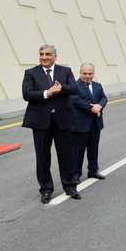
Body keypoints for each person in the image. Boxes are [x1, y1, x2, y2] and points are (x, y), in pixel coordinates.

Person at [22, 44, 81, 204]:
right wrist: (46, 93)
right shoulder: (31, 73)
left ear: (55, 56)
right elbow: (26, 94)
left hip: (62, 120)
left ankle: (70, 187)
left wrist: (61, 89)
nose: (44, 57)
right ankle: (46, 190)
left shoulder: (65, 71)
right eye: (41, 54)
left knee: (66, 156)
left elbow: (75, 88)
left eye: (48, 54)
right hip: (41, 122)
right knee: (42, 157)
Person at [70, 63, 108, 183]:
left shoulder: (98, 85)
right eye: (84, 73)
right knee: (77, 151)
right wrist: (94, 109)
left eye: (90, 73)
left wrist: (100, 105)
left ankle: (93, 170)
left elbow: (104, 98)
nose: (87, 76)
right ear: (80, 73)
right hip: (80, 124)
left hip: (95, 124)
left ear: (93, 73)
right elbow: (76, 100)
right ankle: (75, 174)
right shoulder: (74, 86)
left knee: (93, 149)